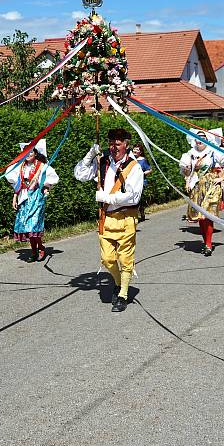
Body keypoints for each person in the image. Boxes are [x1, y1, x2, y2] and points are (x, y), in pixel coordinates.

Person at [74, 127, 144, 312]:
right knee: (107, 259)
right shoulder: (102, 161)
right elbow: (80, 175)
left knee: (125, 258)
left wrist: (107, 198)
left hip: (126, 218)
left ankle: (122, 294)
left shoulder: (134, 166)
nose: (113, 147)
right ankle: (119, 282)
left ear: (126, 145)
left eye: (118, 144)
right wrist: (90, 155)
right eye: (111, 143)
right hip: (106, 219)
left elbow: (133, 197)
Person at [5, 140, 59, 262]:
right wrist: (15, 197)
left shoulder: (42, 166)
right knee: (27, 227)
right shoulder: (20, 167)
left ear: (35, 153)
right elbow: (17, 184)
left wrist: (45, 187)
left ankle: (40, 248)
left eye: (31, 152)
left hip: (36, 198)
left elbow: (51, 178)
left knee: (34, 226)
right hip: (24, 198)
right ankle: (34, 251)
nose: (28, 154)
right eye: (26, 152)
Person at [179, 130, 224, 256]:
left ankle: (208, 244)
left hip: (210, 185)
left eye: (202, 137)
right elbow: (186, 172)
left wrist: (222, 178)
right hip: (196, 186)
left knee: (207, 214)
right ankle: (205, 241)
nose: (199, 139)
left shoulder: (213, 152)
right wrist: (186, 171)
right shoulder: (189, 154)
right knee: (200, 216)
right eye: (197, 137)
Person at [131, 143, 152, 221]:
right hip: (132, 182)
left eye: (137, 149)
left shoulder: (143, 160)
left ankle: (140, 212)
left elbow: (149, 170)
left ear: (140, 152)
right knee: (132, 198)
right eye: (134, 149)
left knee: (138, 198)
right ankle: (135, 213)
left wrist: (142, 174)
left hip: (141, 182)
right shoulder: (131, 158)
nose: (135, 150)